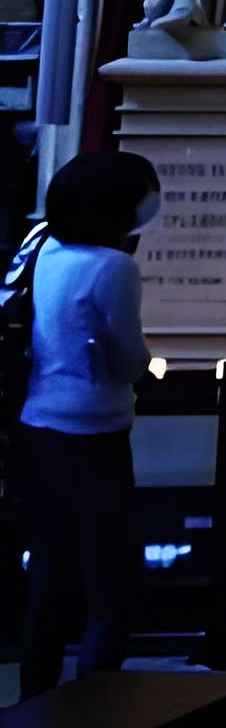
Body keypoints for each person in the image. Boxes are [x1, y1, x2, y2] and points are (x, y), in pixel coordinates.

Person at [16, 151, 157, 691]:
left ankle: (36, 700)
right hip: (95, 433)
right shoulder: (113, 266)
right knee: (110, 580)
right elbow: (128, 357)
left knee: (50, 570)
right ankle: (95, 707)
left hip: (38, 424)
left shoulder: (45, 245)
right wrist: (148, 366)